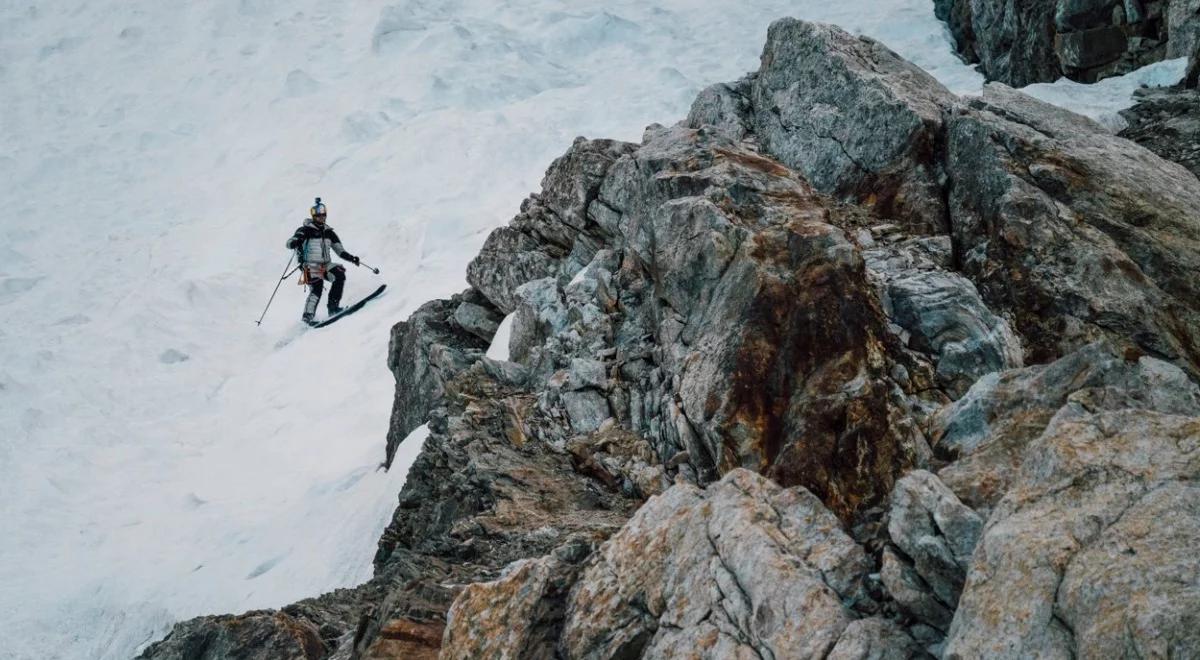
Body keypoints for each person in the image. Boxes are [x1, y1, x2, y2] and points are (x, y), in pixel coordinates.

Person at [286, 198, 360, 325]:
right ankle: (307, 318)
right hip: (310, 265)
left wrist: (352, 258)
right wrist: (295, 241)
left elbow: (340, 251)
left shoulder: (329, 233)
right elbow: (289, 243)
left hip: (325, 265)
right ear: (313, 216)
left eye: (323, 214)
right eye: (318, 215)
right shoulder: (305, 230)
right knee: (317, 287)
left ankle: (333, 308)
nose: (321, 217)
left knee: (339, 274)